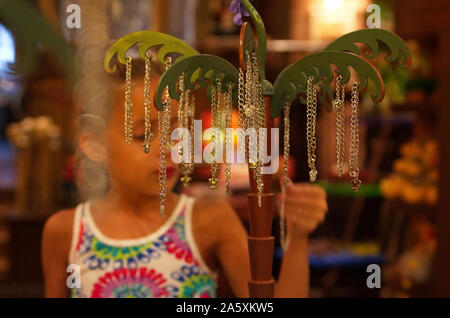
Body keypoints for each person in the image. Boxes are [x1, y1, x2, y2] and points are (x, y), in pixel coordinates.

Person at [41, 58, 328, 298]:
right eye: (143, 135)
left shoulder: (209, 221)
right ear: (94, 145)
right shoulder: (66, 232)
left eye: (174, 130)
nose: (166, 148)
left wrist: (297, 236)